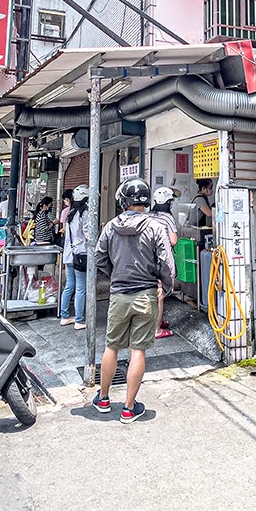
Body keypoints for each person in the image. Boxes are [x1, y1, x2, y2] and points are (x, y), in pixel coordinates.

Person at [92, 178, 176, 424]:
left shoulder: (110, 227)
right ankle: (129, 409)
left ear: (124, 201)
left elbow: (99, 257)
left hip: (119, 294)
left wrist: (115, 274)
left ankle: (104, 398)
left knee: (112, 346)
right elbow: (167, 264)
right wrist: (165, 287)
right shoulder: (155, 226)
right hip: (146, 295)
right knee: (138, 350)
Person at [149, 186, 179, 339]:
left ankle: (156, 322)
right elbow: (173, 241)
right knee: (160, 294)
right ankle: (156, 330)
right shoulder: (167, 217)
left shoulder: (148, 215)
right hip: (162, 259)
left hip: (148, 259)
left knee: (153, 291)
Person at [59, 186, 89, 330]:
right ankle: (79, 320)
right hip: (80, 255)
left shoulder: (70, 213)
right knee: (81, 288)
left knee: (70, 286)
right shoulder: (84, 213)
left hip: (69, 254)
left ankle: (64, 316)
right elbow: (88, 235)